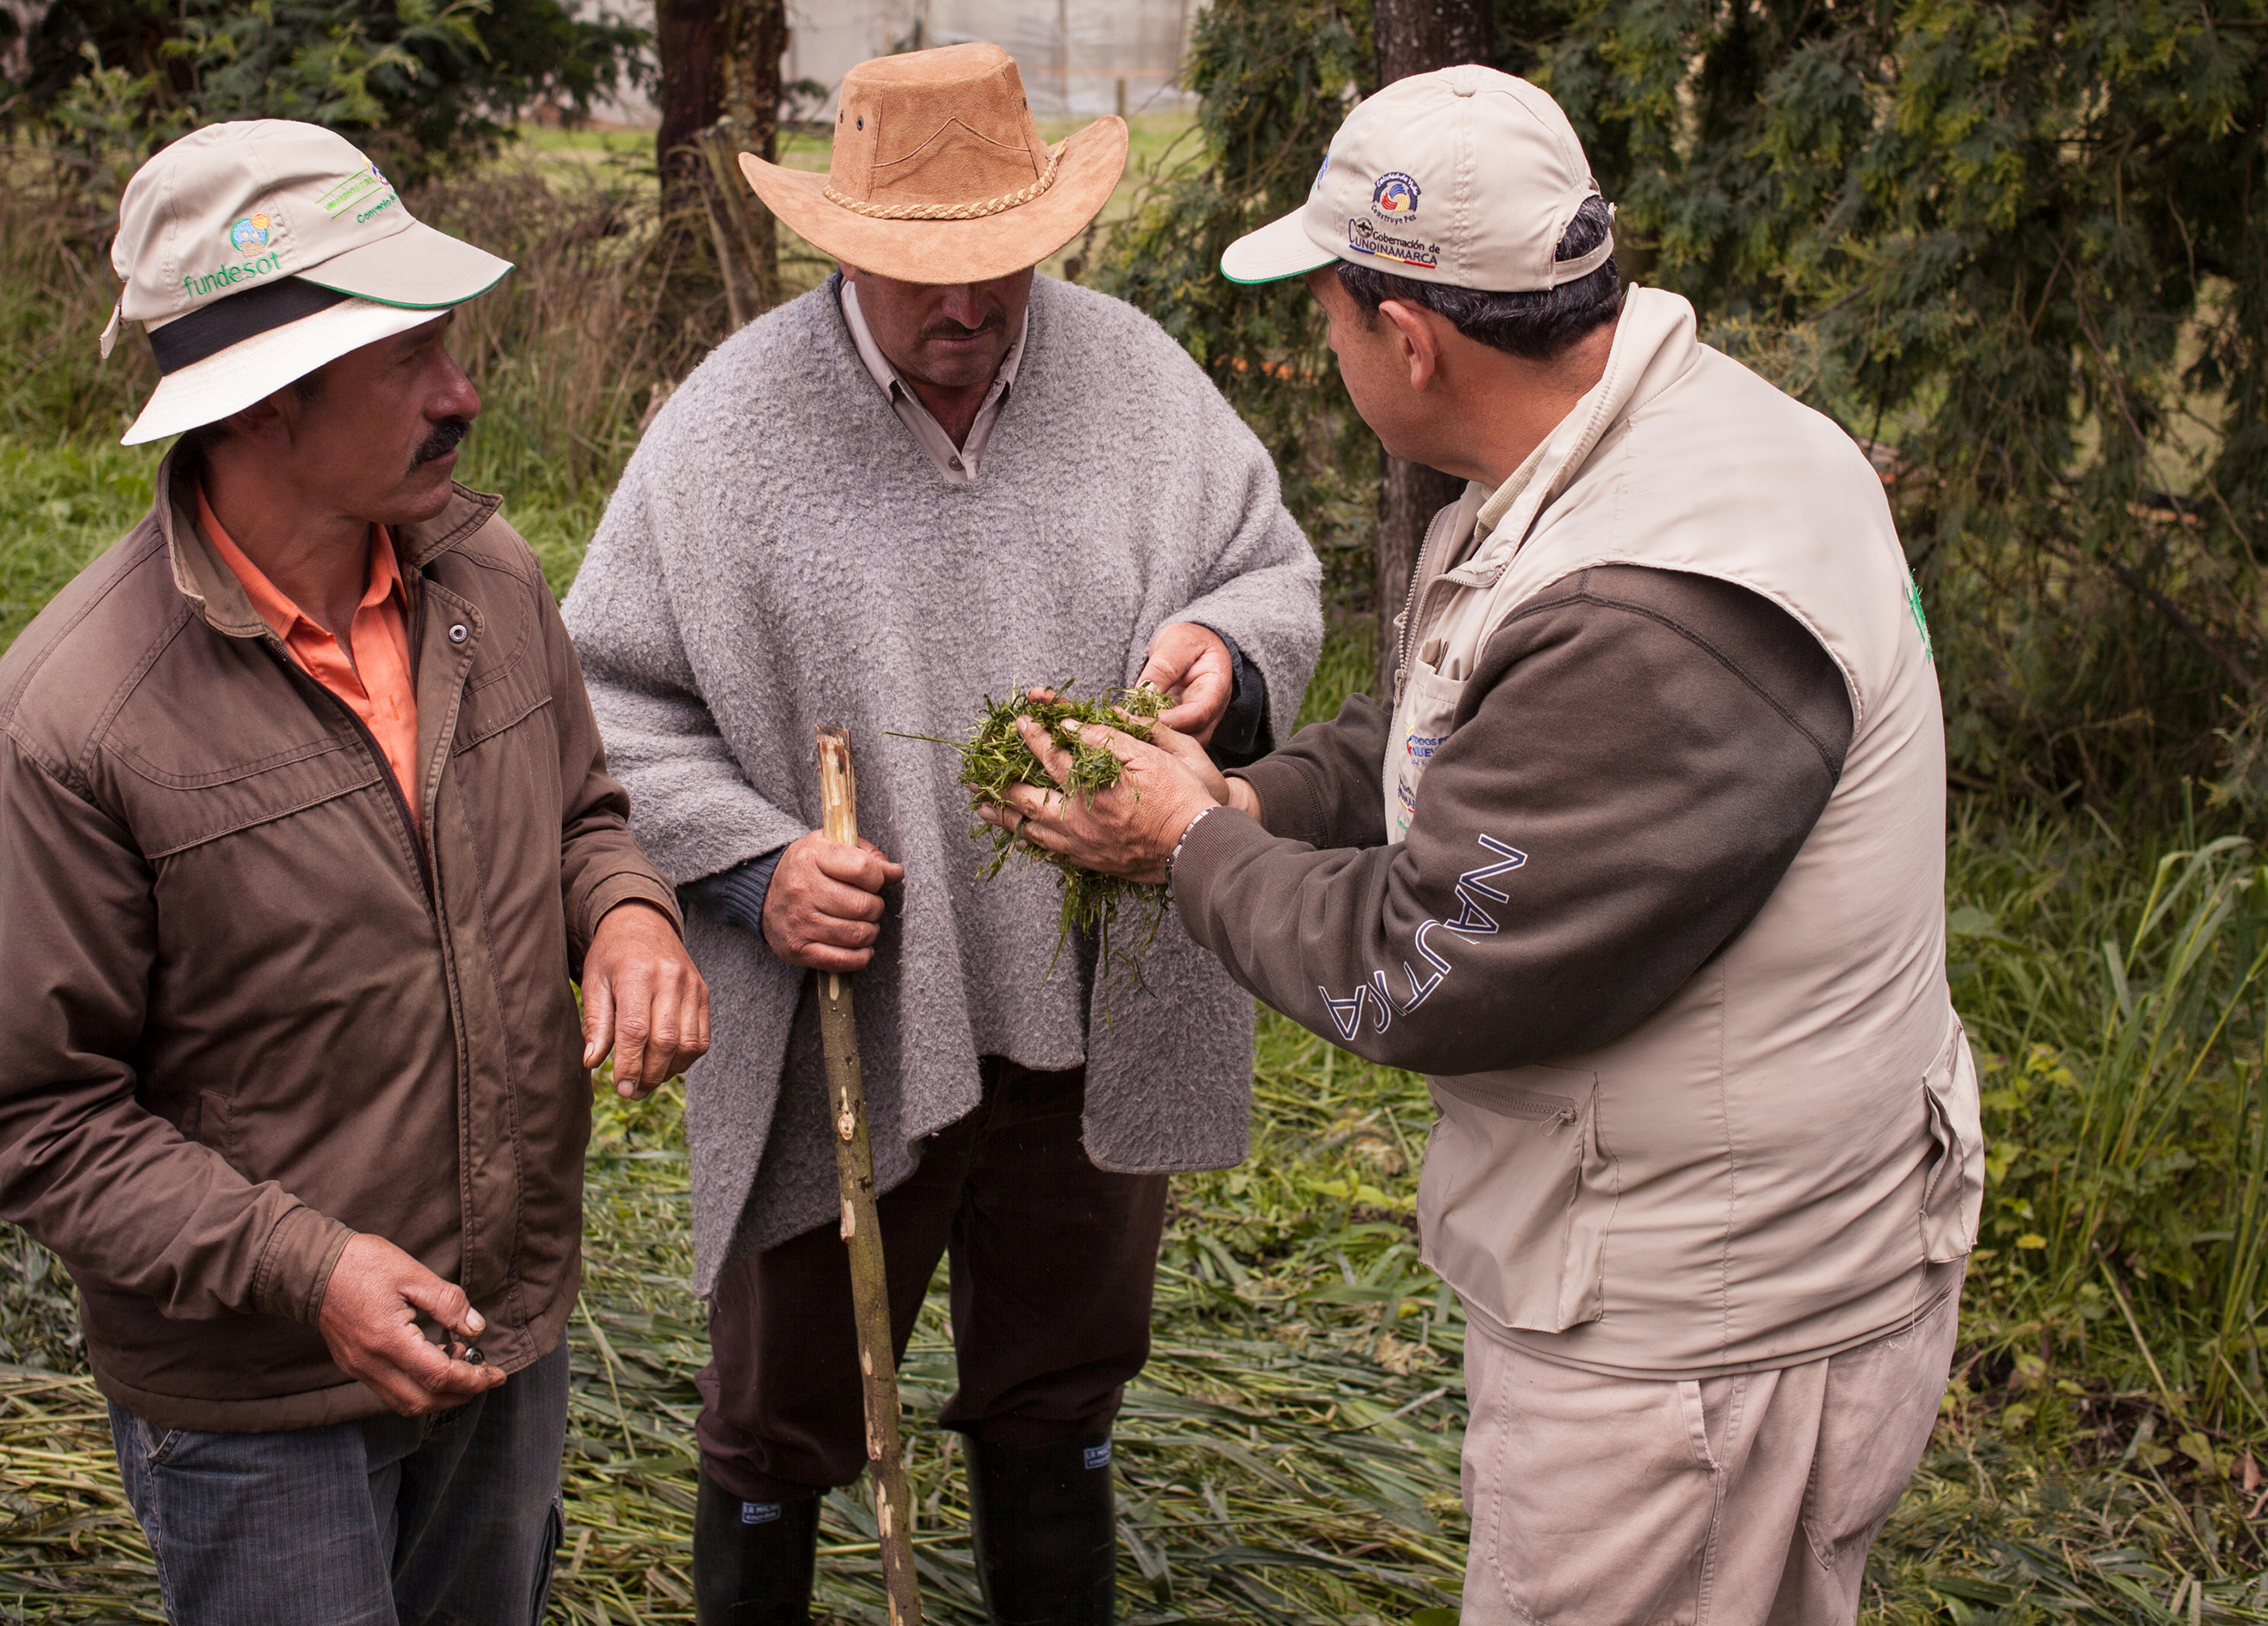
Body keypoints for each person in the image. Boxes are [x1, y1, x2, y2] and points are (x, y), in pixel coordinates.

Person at [986, 67, 1984, 1625]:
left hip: (1696, 1348)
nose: (1326, 346)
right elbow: (1459, 734)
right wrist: (1254, 800)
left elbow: (1425, 966)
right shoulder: (1638, 453)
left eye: (1327, 314)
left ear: (1410, 338)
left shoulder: (1662, 606)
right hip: (1723, 1271)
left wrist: (1181, 840)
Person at [562, 42, 1320, 1625]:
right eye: (925, 269)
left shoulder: (1136, 382)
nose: (968, 302)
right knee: (783, 1399)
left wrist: (1229, 653)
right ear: (846, 244)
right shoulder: (728, 432)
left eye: (1000, 260)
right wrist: (753, 867)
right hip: (846, 1012)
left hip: (1092, 997)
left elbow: (1269, 568)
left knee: (1060, 1379)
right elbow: (607, 699)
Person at [0, 120, 709, 1626]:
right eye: (410, 357)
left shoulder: (485, 581)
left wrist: (626, 910)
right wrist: (311, 1269)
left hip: (500, 1324)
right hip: (259, 1406)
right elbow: (43, 1121)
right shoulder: (68, 730)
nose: (462, 393)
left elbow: (581, 813)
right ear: (267, 398)